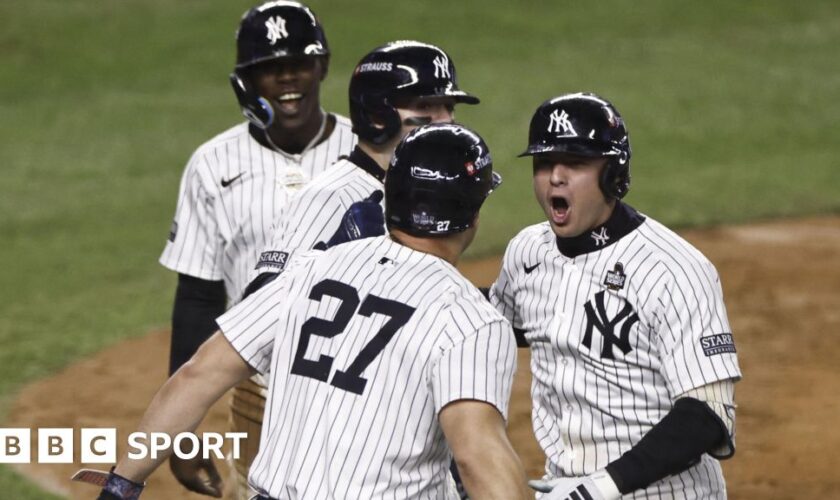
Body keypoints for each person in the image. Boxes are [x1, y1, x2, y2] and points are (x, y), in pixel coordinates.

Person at [95, 123, 529, 500]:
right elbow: (476, 457)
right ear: (471, 215)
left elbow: (199, 373)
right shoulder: (471, 319)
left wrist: (121, 485)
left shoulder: (313, 266)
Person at [490, 92, 742, 499]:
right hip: (563, 486)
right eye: (544, 163)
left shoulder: (673, 270)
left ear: (612, 174)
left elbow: (708, 415)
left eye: (574, 163)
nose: (555, 176)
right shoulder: (527, 251)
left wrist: (600, 488)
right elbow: (500, 321)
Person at [157, 1, 355, 496]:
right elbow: (199, 296)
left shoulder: (367, 151)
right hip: (258, 388)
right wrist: (182, 433)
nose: (287, 80)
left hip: (362, 378)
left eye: (299, 64)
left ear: (323, 66)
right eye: (269, 69)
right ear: (246, 81)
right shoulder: (212, 164)